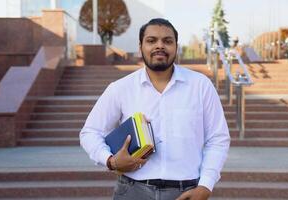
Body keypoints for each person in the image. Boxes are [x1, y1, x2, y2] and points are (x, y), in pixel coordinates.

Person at [80, 18, 230, 200]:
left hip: (186, 193)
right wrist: (110, 161)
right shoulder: (121, 88)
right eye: (151, 41)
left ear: (176, 46)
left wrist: (205, 186)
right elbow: (90, 132)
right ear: (140, 46)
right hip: (132, 191)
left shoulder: (201, 86)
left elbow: (218, 138)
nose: (160, 46)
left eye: (167, 41)